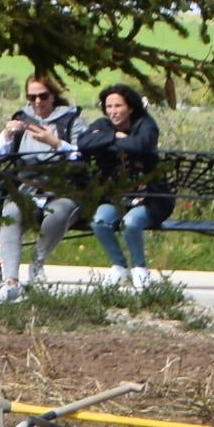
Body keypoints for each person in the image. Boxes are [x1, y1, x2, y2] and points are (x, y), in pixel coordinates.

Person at [0, 74, 84, 303]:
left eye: (43, 96)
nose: (37, 102)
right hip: (28, 187)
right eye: (32, 97)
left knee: (57, 213)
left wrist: (56, 144)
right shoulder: (22, 118)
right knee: (11, 213)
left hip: (63, 189)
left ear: (54, 96)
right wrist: (7, 134)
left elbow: (84, 156)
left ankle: (37, 263)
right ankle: (10, 282)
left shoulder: (72, 120)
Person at [79, 84, 173, 286]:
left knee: (131, 222)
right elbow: (84, 142)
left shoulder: (146, 124)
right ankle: (119, 267)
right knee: (99, 221)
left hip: (150, 198)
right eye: (109, 106)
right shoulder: (103, 125)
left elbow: (141, 145)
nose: (113, 111)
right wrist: (114, 137)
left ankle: (139, 269)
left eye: (118, 106)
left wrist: (105, 142)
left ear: (130, 107)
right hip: (115, 197)